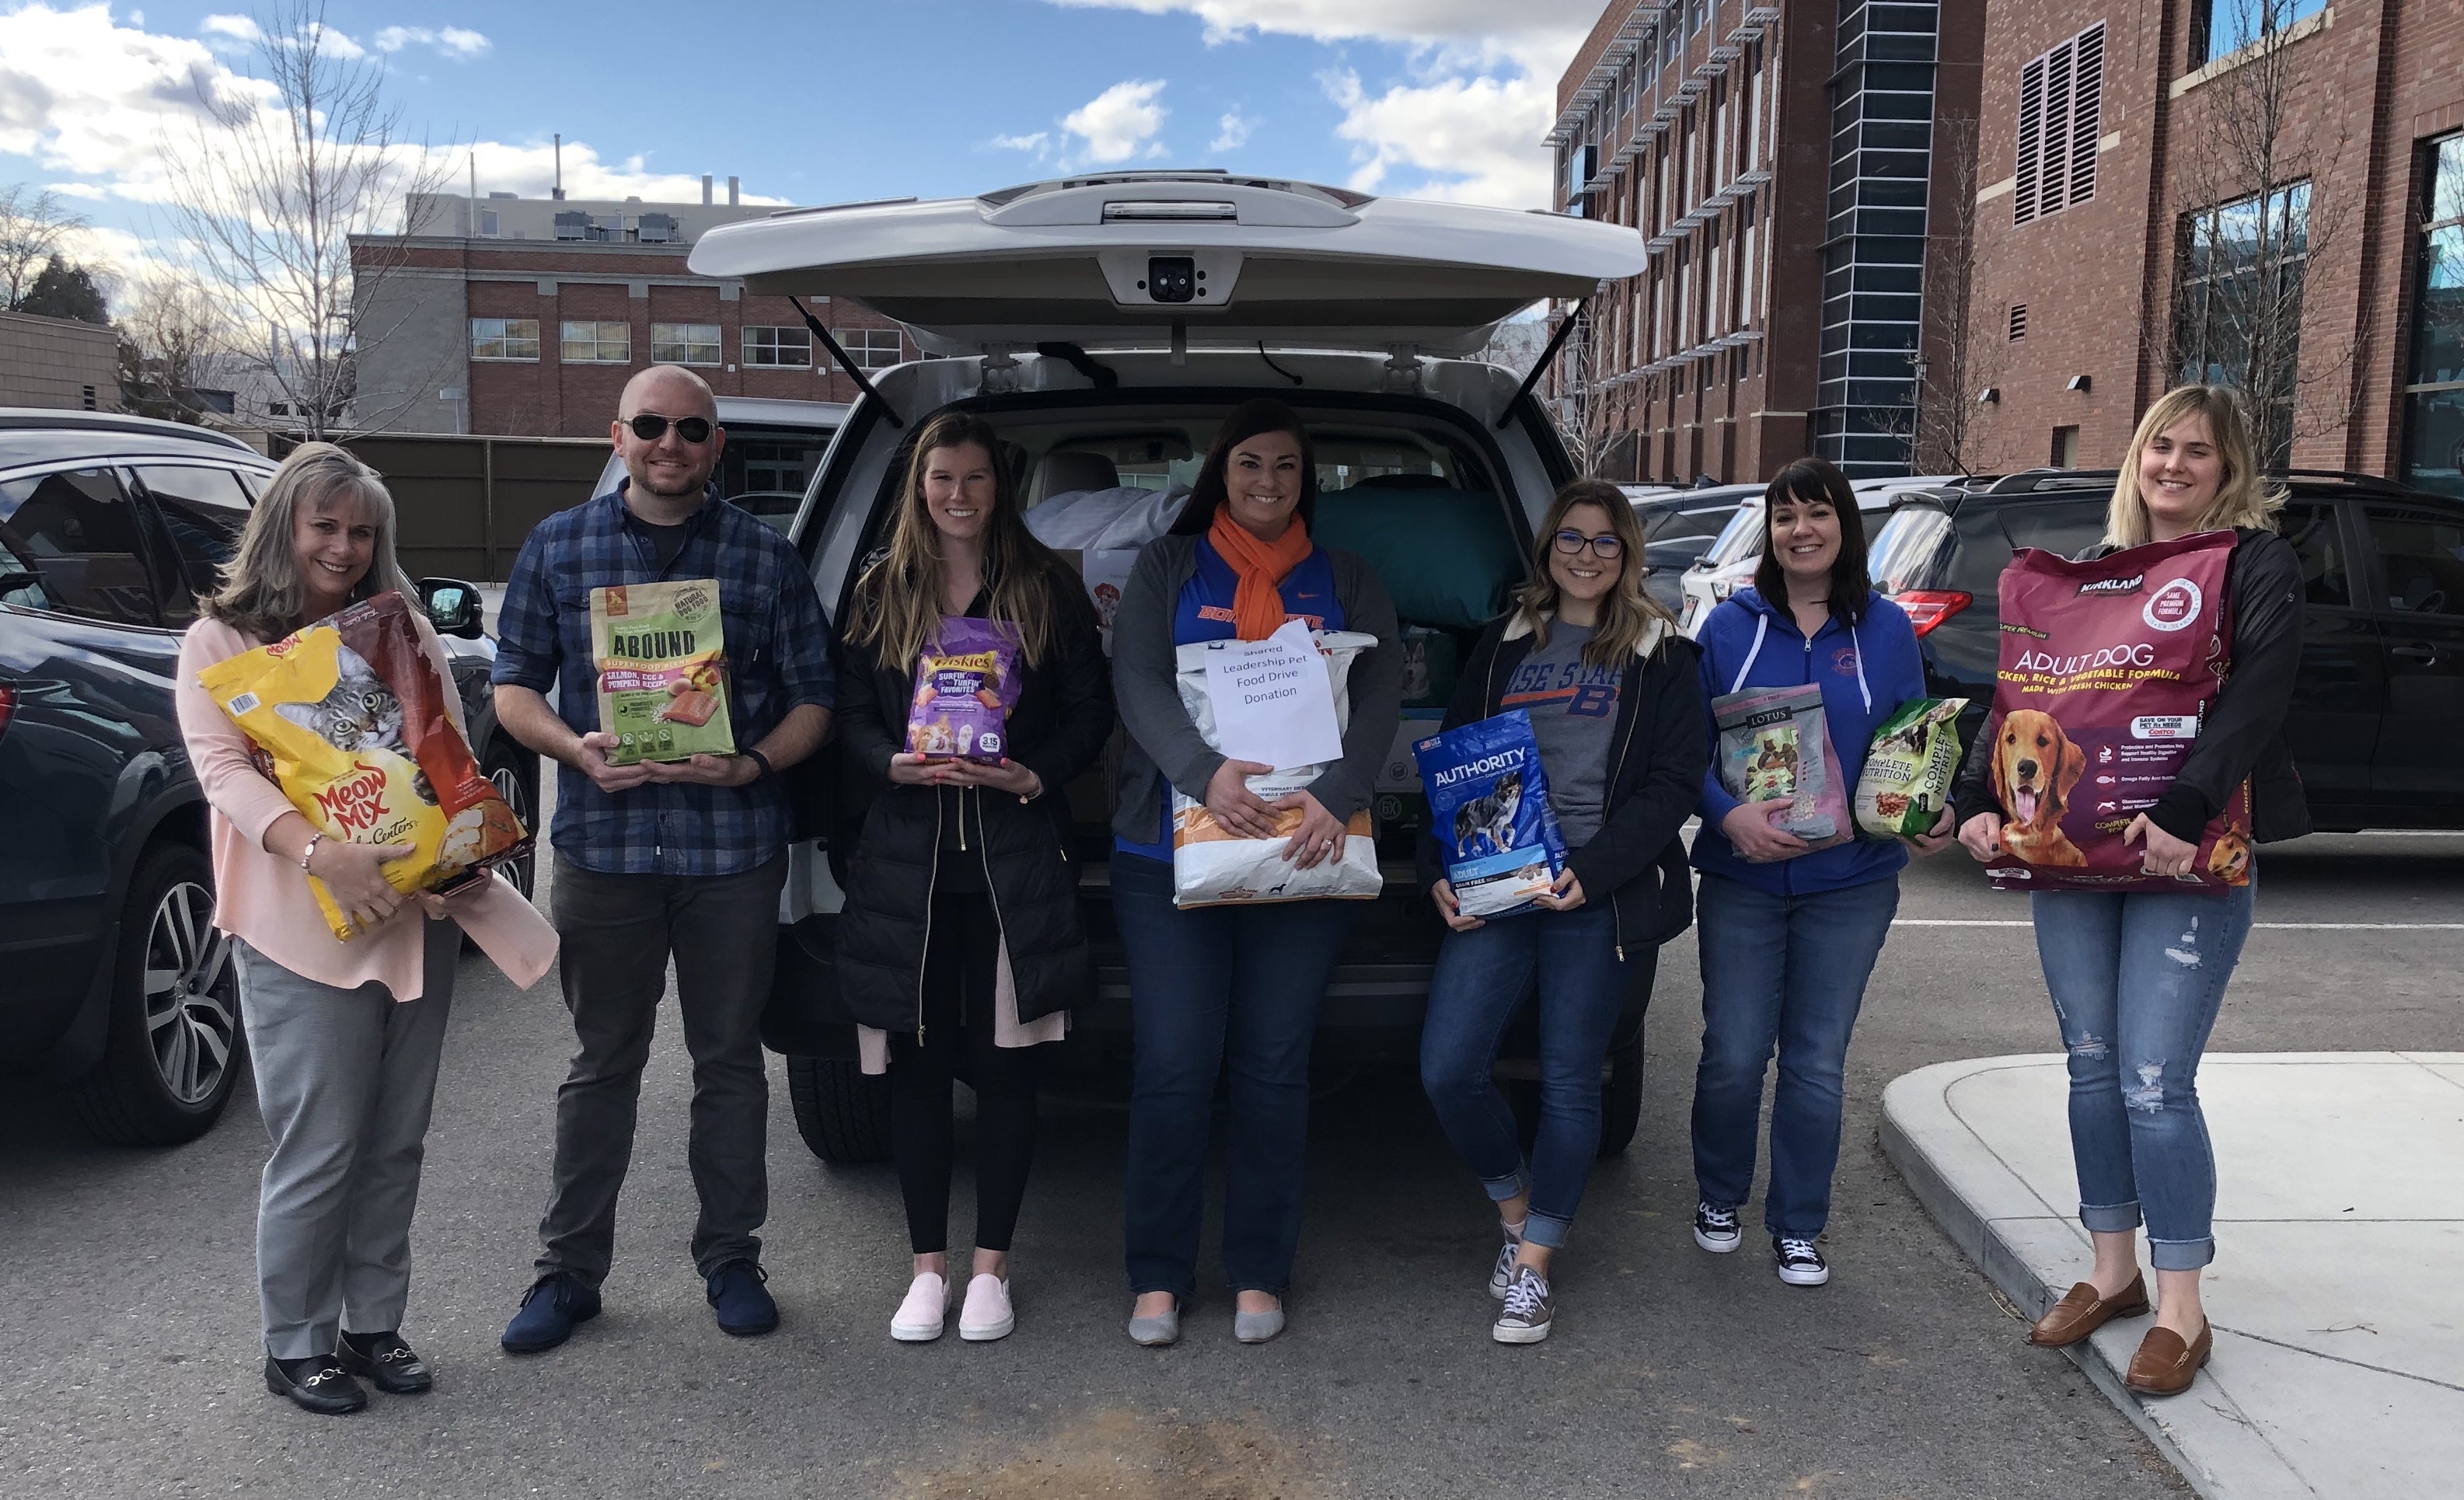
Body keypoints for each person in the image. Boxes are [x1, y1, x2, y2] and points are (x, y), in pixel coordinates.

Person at [174, 443, 557, 1415]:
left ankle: (373, 1325)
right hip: (302, 927)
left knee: (395, 1141)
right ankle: (295, 1343)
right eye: (325, 527)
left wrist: (456, 850)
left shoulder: (402, 627)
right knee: (319, 1143)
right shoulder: (219, 644)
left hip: (417, 916)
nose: (344, 547)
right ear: (283, 529)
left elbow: (449, 747)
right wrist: (319, 853)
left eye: (361, 531)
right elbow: (223, 775)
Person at [1953, 385, 2306, 1397]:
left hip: (2183, 861)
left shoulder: (2252, 564)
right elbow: (2023, 692)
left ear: (2225, 466)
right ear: (2135, 460)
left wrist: (2185, 810)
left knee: (2154, 1081)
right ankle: (2109, 1271)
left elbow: (2258, 695)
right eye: (2160, 446)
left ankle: (2180, 1306)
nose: (2174, 465)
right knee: (2090, 1065)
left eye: (2197, 451)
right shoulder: (2090, 575)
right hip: (2072, 866)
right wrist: (1979, 797)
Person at [490, 365, 836, 1352]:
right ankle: (567, 1273)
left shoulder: (765, 558)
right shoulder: (561, 545)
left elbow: (817, 695)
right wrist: (572, 748)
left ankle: (731, 1257)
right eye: (651, 426)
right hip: (604, 849)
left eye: (691, 429)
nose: (670, 445)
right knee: (602, 1062)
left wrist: (754, 762)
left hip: (730, 850)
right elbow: (514, 685)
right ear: (618, 434)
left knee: (727, 1062)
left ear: (714, 444)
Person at [1109, 398, 1403, 1345]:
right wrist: (1204, 775)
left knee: (1274, 1068)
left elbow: (1383, 688)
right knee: (1172, 1067)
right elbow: (1138, 680)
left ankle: (1258, 1274)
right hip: (1171, 850)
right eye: (1248, 465)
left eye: (1284, 466)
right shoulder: (1169, 566)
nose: (1267, 482)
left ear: (1303, 476)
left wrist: (1344, 790)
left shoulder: (1346, 576)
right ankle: (1156, 1275)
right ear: (1219, 472)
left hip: (1305, 847)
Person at [832, 413, 1114, 1344]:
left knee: (1007, 1068)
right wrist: (888, 764)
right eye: (941, 479)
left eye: (976, 479)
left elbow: (1090, 710)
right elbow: (844, 712)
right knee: (915, 1069)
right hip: (908, 867)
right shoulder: (882, 591)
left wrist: (1035, 774)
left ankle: (991, 1268)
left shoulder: (1044, 589)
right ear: (919, 488)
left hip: (1013, 862)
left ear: (1003, 486)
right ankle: (925, 1270)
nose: (958, 496)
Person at [1417, 480, 1707, 1344]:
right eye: (1570, 539)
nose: (1585, 555)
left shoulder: (1661, 653)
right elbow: (1450, 763)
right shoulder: (1502, 644)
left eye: (1604, 541)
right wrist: (1439, 868)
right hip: (1497, 889)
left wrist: (1596, 871)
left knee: (1573, 1080)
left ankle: (1535, 1265)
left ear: (1628, 554)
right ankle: (1514, 1212)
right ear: (1546, 549)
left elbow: (1671, 784)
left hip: (1593, 894)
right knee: (1446, 1067)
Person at [1687, 457, 1954, 1288]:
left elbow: (1906, 745)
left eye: (1816, 513)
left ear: (1844, 525)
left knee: (1813, 1058)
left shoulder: (1884, 630)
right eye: (1783, 516)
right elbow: (1681, 748)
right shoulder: (1727, 628)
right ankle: (1717, 1194)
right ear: (1767, 532)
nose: (1799, 530)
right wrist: (1726, 815)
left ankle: (1799, 1223)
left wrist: (1925, 810)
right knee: (1733, 1052)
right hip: (1743, 876)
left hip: (1850, 883)